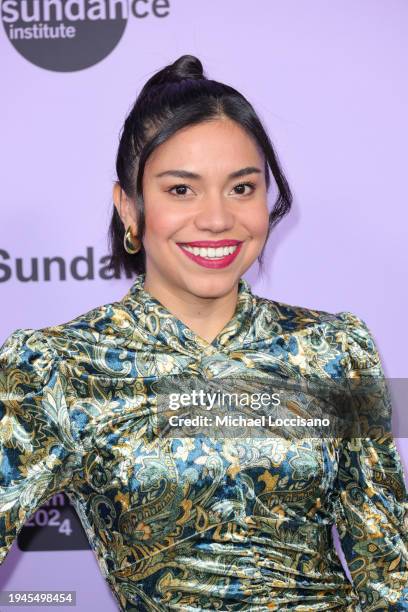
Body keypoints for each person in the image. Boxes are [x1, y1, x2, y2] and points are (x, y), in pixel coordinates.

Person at [1, 54, 407, 611]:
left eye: (242, 188)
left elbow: (389, 571)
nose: (217, 219)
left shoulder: (334, 350)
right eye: (181, 190)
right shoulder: (61, 368)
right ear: (130, 208)